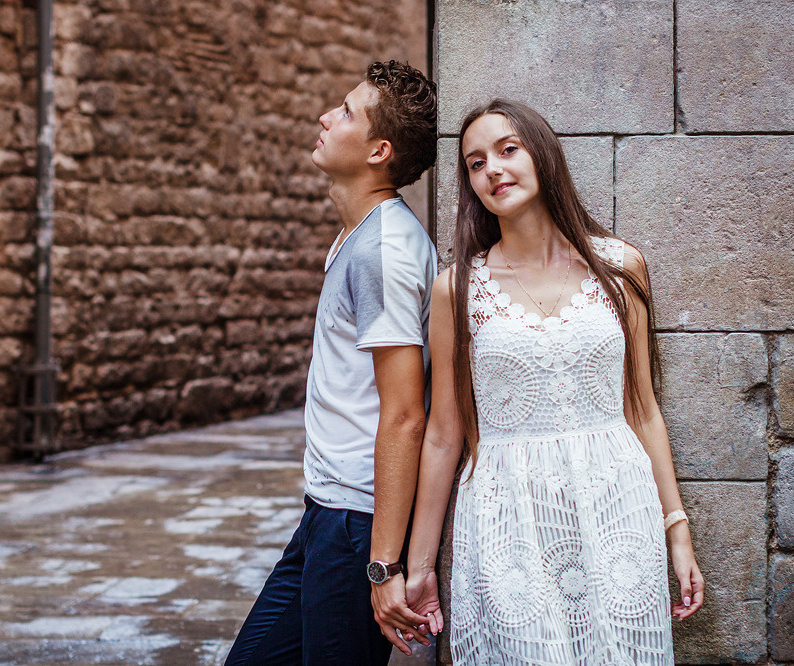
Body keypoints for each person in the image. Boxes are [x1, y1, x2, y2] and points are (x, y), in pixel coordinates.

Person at [384, 99, 705, 664]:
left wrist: (675, 526)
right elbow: (442, 435)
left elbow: (643, 408)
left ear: (543, 154)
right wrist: (419, 564)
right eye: (475, 163)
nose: (493, 170)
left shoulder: (621, 267)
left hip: (617, 509)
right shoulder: (457, 290)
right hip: (509, 516)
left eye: (508, 149)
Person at [224, 60, 438, 665]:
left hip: (356, 522)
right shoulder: (357, 234)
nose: (325, 115)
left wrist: (383, 564)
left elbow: (404, 415)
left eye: (346, 111)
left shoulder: (383, 252)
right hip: (328, 512)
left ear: (378, 150)